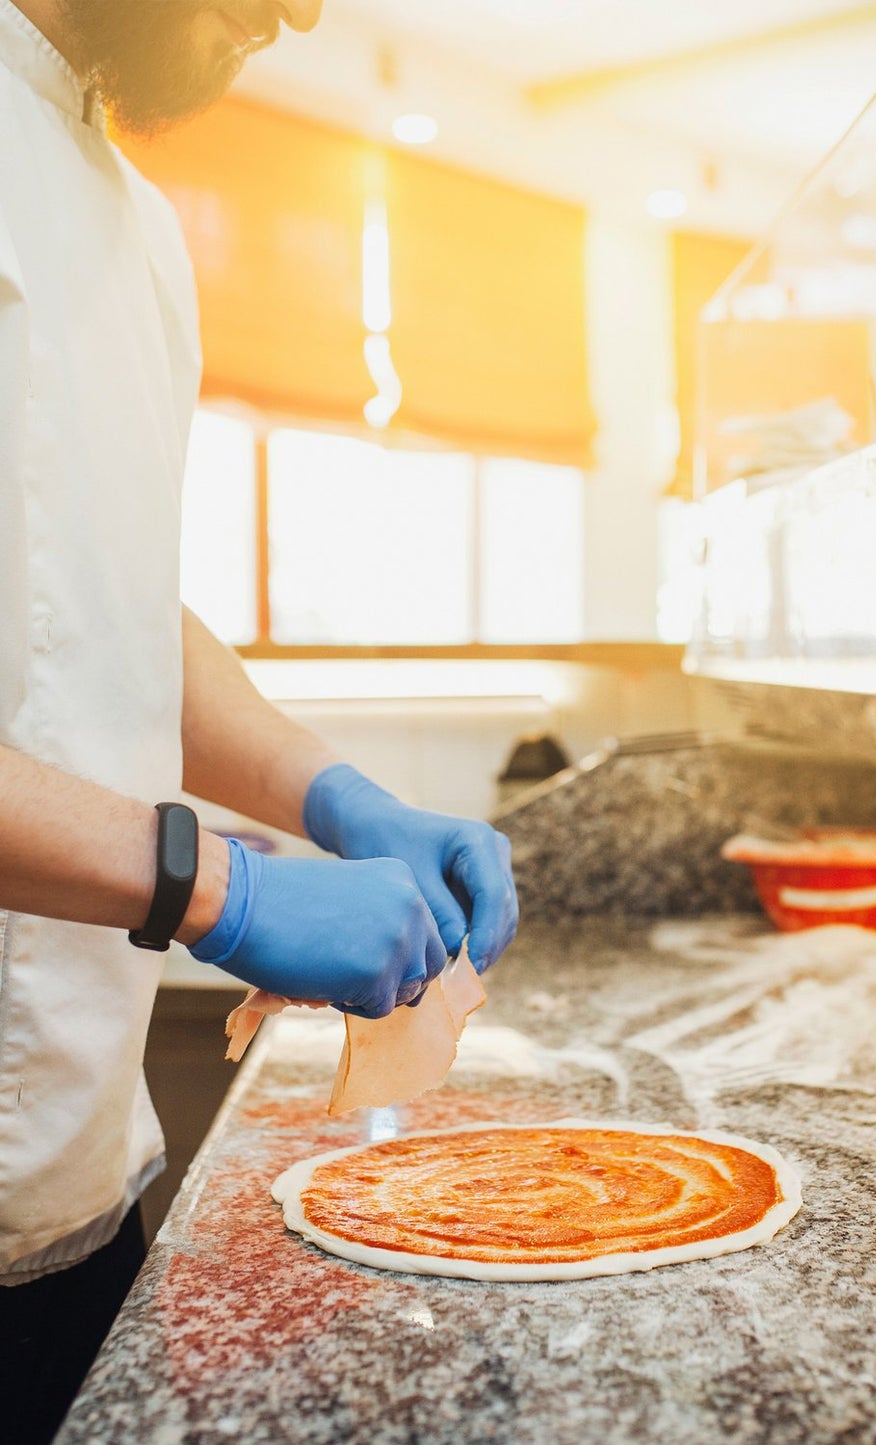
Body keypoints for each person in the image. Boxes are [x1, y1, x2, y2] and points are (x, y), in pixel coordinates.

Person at [0, 2, 518, 1438]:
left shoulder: (139, 229)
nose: (300, 8)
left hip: (74, 1196)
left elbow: (104, 609)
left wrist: (333, 792)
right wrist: (212, 886)